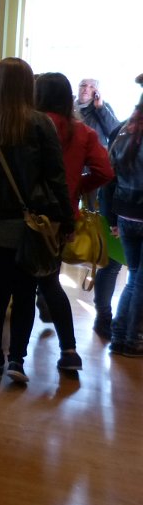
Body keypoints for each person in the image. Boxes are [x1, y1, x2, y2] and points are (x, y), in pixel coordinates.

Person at [0, 59, 73, 384]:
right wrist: (66, 220)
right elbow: (56, 177)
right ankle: (17, 361)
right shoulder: (40, 124)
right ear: (27, 85)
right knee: (25, 294)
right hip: (29, 226)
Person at [33, 72, 114, 370]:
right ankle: (69, 350)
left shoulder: (27, 126)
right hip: (61, 215)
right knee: (52, 279)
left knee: (21, 280)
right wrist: (77, 187)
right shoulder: (83, 132)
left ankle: (13, 355)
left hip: (24, 213)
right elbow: (105, 172)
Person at [77, 78, 127, 338]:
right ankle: (107, 318)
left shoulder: (105, 113)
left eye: (90, 86)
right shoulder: (72, 110)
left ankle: (115, 321)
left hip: (103, 185)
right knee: (113, 263)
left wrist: (101, 108)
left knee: (116, 264)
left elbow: (112, 130)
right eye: (82, 85)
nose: (85, 90)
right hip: (95, 183)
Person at [106, 73, 143, 357]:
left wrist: (111, 218)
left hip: (125, 216)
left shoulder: (122, 131)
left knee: (134, 278)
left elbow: (109, 178)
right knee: (139, 280)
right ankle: (133, 339)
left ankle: (120, 335)